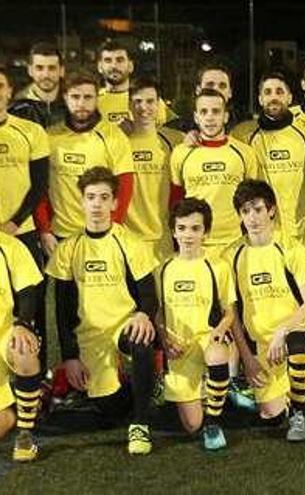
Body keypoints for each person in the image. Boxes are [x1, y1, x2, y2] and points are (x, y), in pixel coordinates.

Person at [45, 166, 159, 455]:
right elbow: (63, 310)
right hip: (90, 337)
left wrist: (143, 313)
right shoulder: (68, 249)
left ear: (115, 203)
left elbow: (148, 294)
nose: (97, 204)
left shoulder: (129, 242)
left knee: (142, 340)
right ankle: (142, 392)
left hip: (124, 325)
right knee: (110, 410)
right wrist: (70, 357)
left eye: (104, 197)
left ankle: (141, 424)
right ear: (81, 201)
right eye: (91, 197)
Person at [226, 179, 305, 442]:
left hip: (291, 332)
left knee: (299, 343)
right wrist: (247, 359)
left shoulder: (289, 247)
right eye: (245, 211)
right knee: (270, 417)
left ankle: (299, 414)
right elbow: (230, 315)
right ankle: (289, 397)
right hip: (260, 347)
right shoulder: (232, 255)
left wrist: (284, 329)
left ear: (271, 210)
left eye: (258, 209)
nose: (252, 217)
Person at [157, 198, 235, 451]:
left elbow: (229, 313)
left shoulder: (218, 267)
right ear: (173, 231)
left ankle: (214, 422)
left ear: (206, 232)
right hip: (179, 349)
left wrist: (219, 331)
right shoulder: (162, 269)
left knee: (217, 353)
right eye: (181, 228)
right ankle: (211, 391)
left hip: (208, 339)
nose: (187, 235)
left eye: (195, 228)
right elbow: (157, 315)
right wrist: (164, 340)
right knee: (191, 425)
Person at [37, 71, 134, 256]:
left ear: (97, 98)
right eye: (75, 97)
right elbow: (40, 187)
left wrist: (111, 228)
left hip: (100, 233)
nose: (81, 103)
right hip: (60, 236)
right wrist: (44, 229)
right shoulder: (49, 137)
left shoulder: (114, 136)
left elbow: (125, 187)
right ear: (65, 97)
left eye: (88, 97)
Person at [231, 73, 305, 258]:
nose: (274, 97)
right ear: (260, 99)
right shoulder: (242, 135)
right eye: (268, 92)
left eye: (279, 91)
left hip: (302, 230)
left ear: (290, 97)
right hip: (264, 232)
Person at [0, 66, 50, 370]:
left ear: (9, 91)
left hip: (22, 232)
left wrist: (14, 222)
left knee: (32, 305)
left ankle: (37, 375)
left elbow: (40, 184)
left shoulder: (30, 131)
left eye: (0, 85)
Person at [169, 88, 258, 257]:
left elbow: (251, 202)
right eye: (204, 111)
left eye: (216, 111)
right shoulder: (180, 153)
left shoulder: (245, 153)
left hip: (234, 243)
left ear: (225, 116)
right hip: (195, 244)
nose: (210, 117)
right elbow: (176, 202)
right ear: (196, 117)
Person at [123, 78, 184, 262]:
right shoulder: (119, 141)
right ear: (129, 104)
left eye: (150, 101)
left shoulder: (176, 140)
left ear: (159, 104)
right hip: (129, 238)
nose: (143, 107)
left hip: (162, 237)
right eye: (137, 101)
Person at [0, 231, 43, 462]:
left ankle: (25, 434)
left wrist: (22, 324)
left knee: (24, 348)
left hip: (4, 336)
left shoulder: (10, 247)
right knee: (5, 418)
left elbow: (28, 294)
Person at [96, 40, 174, 125]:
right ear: (100, 67)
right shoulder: (91, 102)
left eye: (120, 60)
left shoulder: (152, 100)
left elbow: (173, 130)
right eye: (108, 61)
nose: (114, 66)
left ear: (130, 66)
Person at [166, 64, 240, 133]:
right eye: (210, 85)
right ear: (198, 90)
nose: (216, 89)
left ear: (230, 92)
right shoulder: (177, 129)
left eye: (222, 86)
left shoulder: (244, 127)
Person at [9, 42, 66, 128]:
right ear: (30, 70)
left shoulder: (75, 104)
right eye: (39, 68)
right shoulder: (16, 110)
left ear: (61, 71)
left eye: (52, 68)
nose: (46, 75)